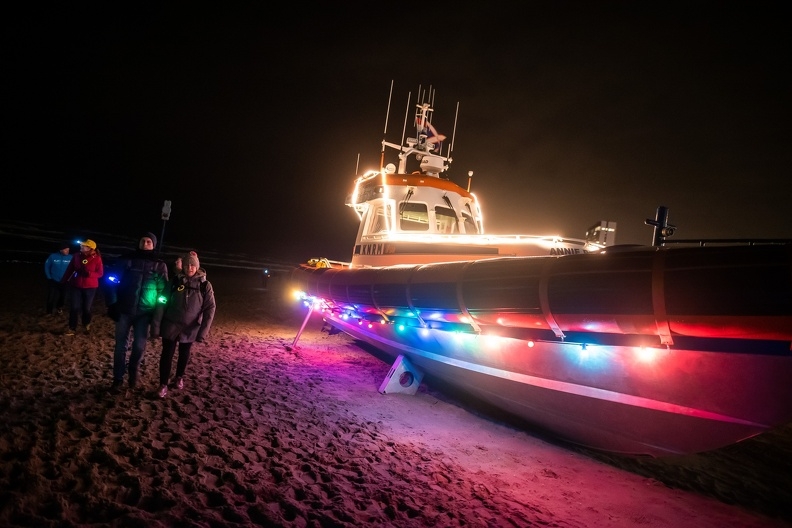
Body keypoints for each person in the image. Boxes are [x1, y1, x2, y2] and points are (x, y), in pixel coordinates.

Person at [105, 232, 169, 392]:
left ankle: (133, 372)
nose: (145, 243)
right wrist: (112, 304)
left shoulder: (159, 265)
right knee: (120, 346)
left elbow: (163, 293)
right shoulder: (126, 259)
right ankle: (118, 379)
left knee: (139, 347)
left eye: (149, 241)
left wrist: (158, 313)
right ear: (138, 242)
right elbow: (111, 280)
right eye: (143, 240)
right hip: (124, 310)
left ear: (154, 245)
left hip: (145, 313)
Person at [152, 251, 216, 399]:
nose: (190, 268)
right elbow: (161, 302)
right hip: (170, 324)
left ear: (197, 266)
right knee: (166, 354)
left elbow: (210, 308)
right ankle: (163, 384)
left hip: (190, 327)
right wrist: (156, 325)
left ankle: (179, 377)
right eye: (187, 265)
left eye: (193, 265)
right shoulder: (174, 281)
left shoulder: (205, 285)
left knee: (184, 354)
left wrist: (203, 331)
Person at [61, 239, 103, 335]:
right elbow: (70, 269)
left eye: (84, 245)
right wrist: (64, 280)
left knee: (86, 308)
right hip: (76, 285)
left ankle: (86, 324)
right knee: (74, 307)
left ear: (90, 248)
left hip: (90, 287)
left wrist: (89, 274)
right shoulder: (76, 256)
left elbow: (100, 273)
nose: (81, 246)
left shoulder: (97, 258)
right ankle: (72, 328)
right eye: (82, 245)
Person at [44, 242, 72, 315]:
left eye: (68, 250)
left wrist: (70, 278)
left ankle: (59, 307)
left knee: (63, 296)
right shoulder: (53, 256)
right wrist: (49, 277)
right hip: (53, 280)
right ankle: (49, 311)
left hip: (65, 281)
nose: (67, 251)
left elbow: (74, 269)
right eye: (66, 250)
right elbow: (47, 266)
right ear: (61, 250)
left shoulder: (71, 257)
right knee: (51, 296)